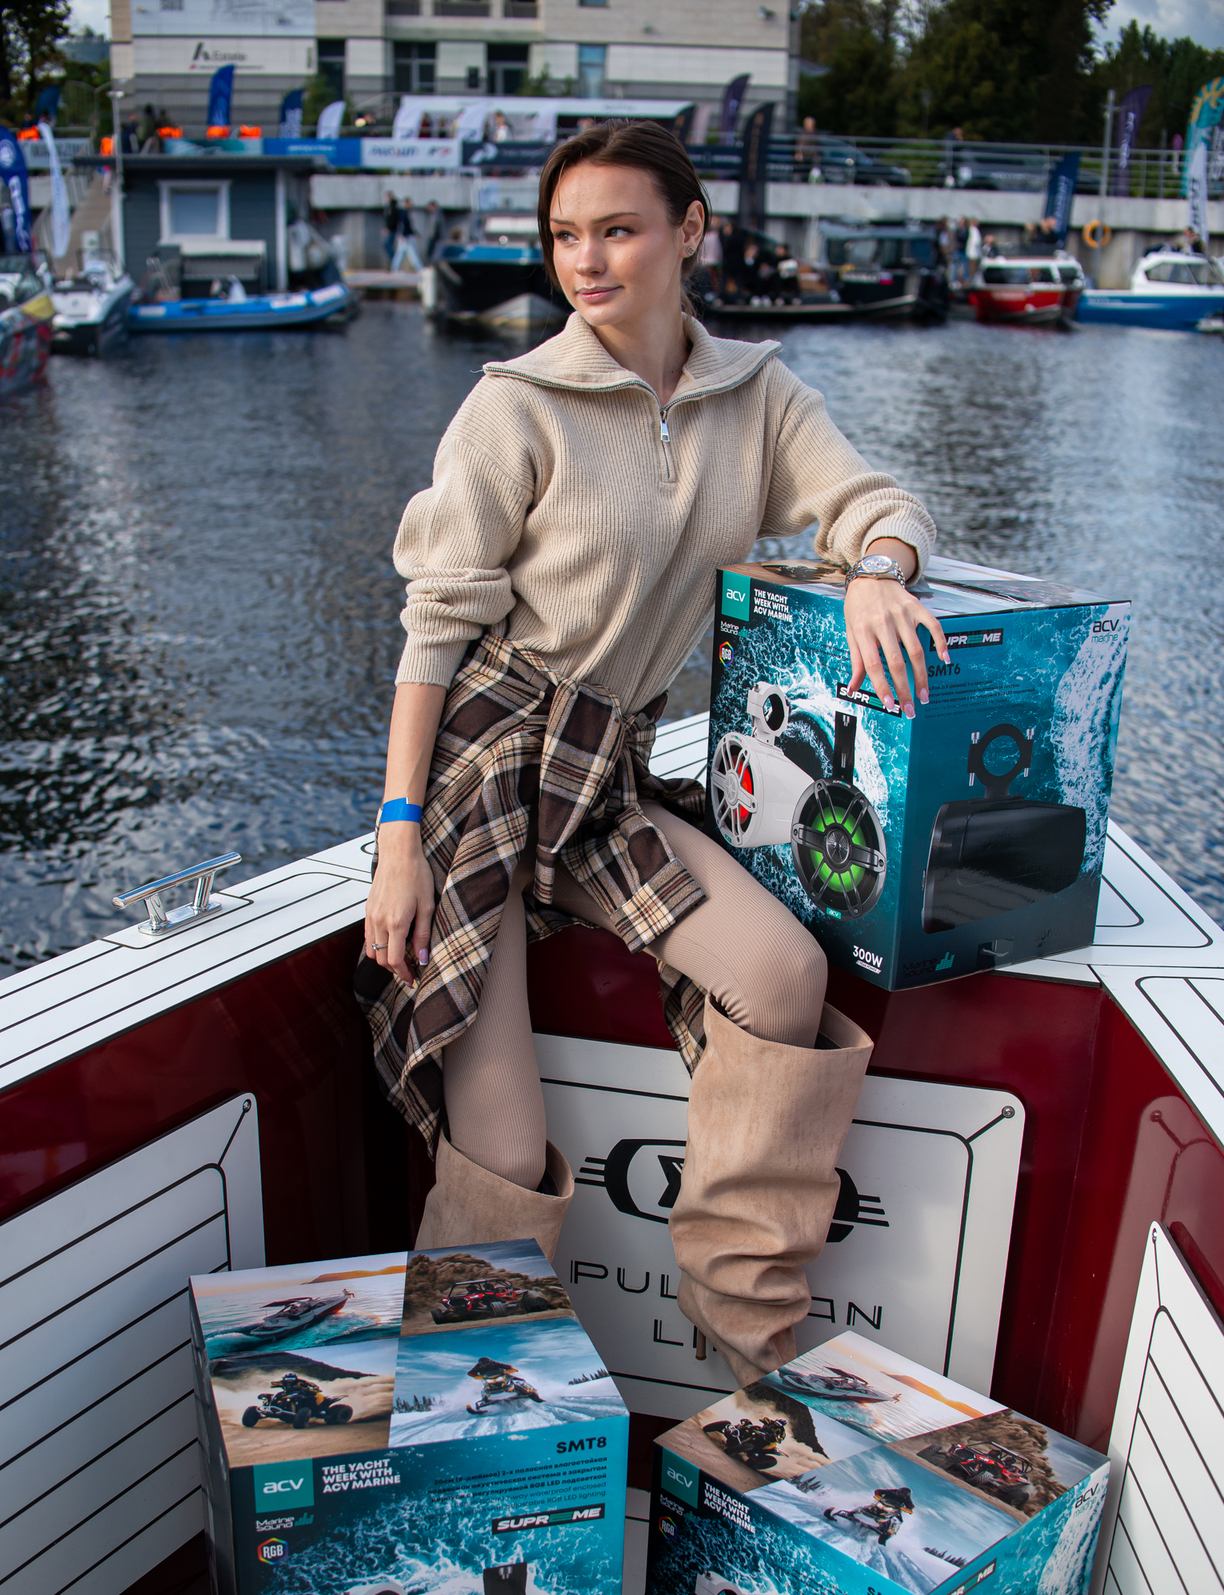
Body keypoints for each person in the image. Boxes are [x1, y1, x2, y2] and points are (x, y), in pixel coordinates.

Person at [358, 122, 944, 1387]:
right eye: (565, 235)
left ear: (690, 233)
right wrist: (398, 837)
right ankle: (461, 1415)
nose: (586, 261)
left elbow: (874, 503)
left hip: (600, 774)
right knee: (502, 1136)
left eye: (617, 230)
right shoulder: (515, 405)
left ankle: (745, 1365)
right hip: (477, 767)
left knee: (783, 976)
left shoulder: (758, 396)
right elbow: (432, 633)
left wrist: (876, 574)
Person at [391, 199, 423, 272]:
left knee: (400, 254)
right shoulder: (404, 213)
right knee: (412, 254)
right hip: (406, 237)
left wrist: (415, 233)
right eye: (410, 203)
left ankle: (394, 269)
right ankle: (419, 268)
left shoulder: (405, 212)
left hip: (405, 236)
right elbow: (402, 225)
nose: (411, 205)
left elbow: (408, 226)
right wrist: (404, 236)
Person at [382, 192, 399, 264]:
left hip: (392, 229)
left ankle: (394, 261)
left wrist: (388, 228)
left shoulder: (392, 207)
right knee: (388, 245)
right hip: (390, 228)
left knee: (387, 244)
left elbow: (392, 219)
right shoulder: (389, 206)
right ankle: (394, 261)